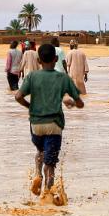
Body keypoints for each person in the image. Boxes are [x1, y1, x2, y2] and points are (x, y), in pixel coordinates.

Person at [15, 44, 84, 205]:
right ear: (55, 59)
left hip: (36, 125)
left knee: (40, 151)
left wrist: (30, 106)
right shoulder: (63, 78)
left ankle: (38, 173)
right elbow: (80, 103)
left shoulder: (32, 76)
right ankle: (47, 194)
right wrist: (72, 103)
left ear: (39, 60)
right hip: (54, 124)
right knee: (51, 164)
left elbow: (18, 96)